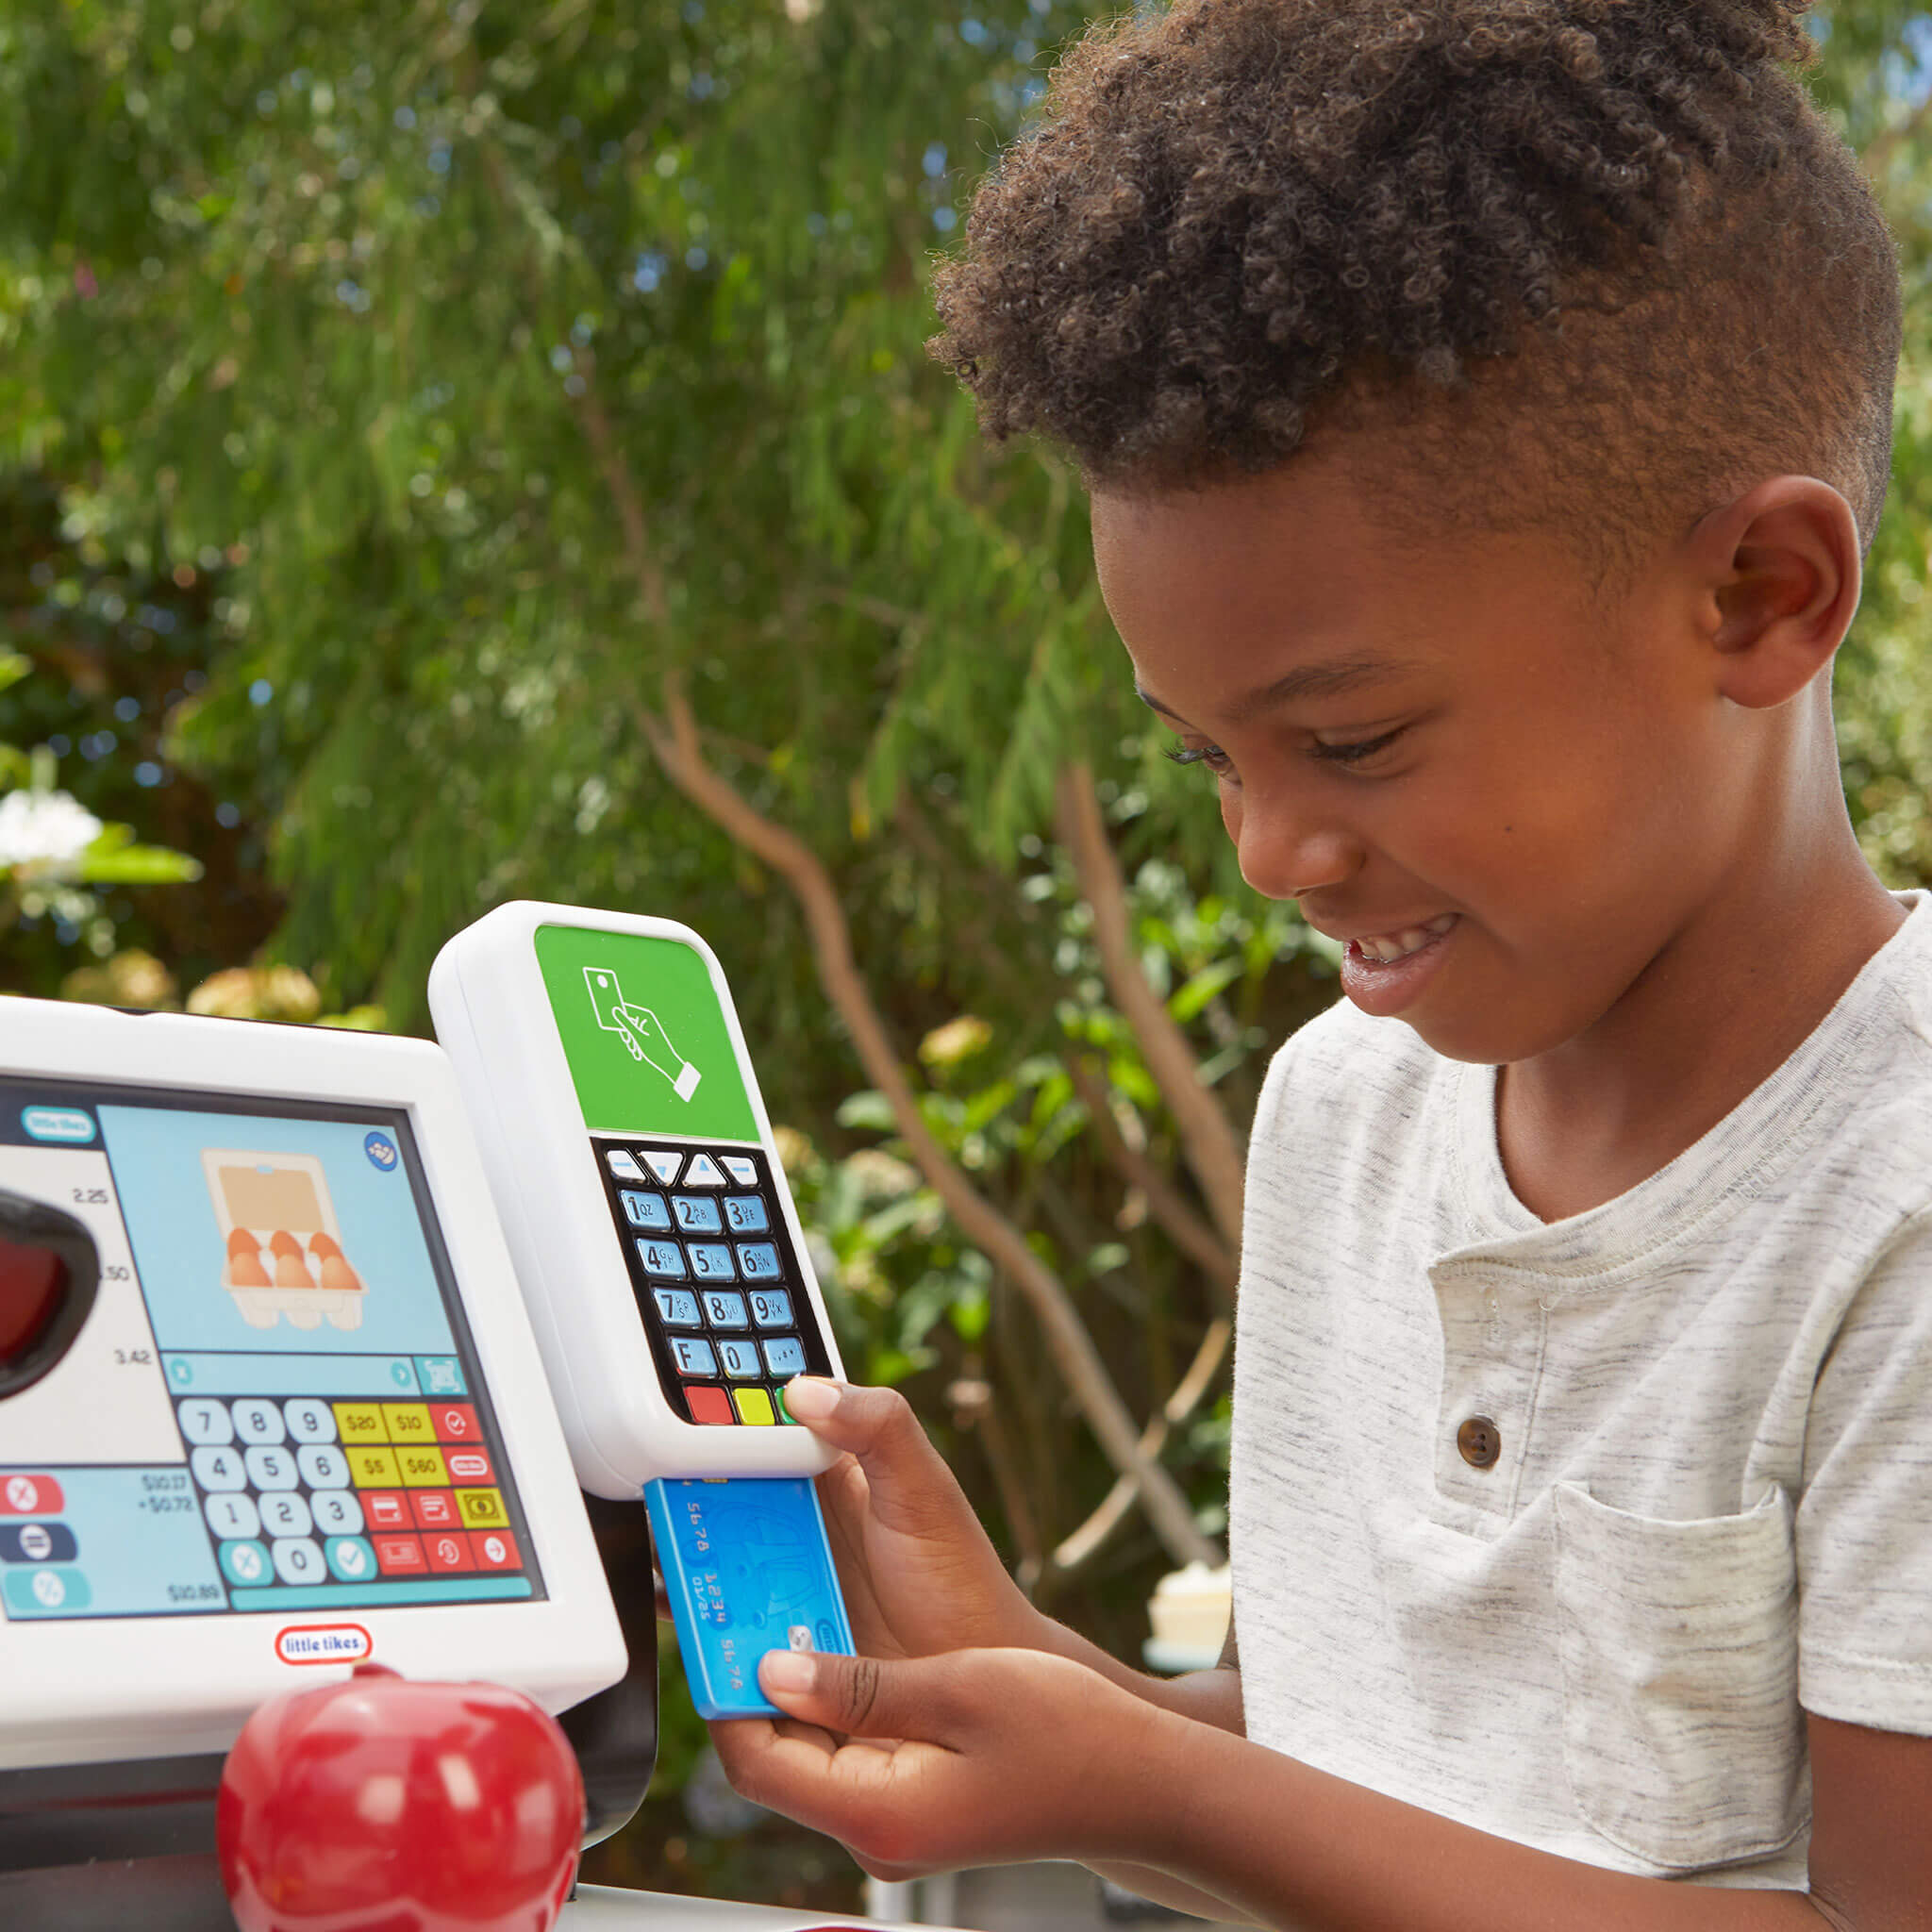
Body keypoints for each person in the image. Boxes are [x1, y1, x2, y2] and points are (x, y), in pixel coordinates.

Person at [709, 2, 1932, 1924]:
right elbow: (1376, 1783)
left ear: (1756, 596)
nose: (1268, 849)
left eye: (1348, 741)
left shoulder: (1898, 1194)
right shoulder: (1344, 1107)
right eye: (1206, 755)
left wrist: (1168, 1796)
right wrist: (1022, 1679)